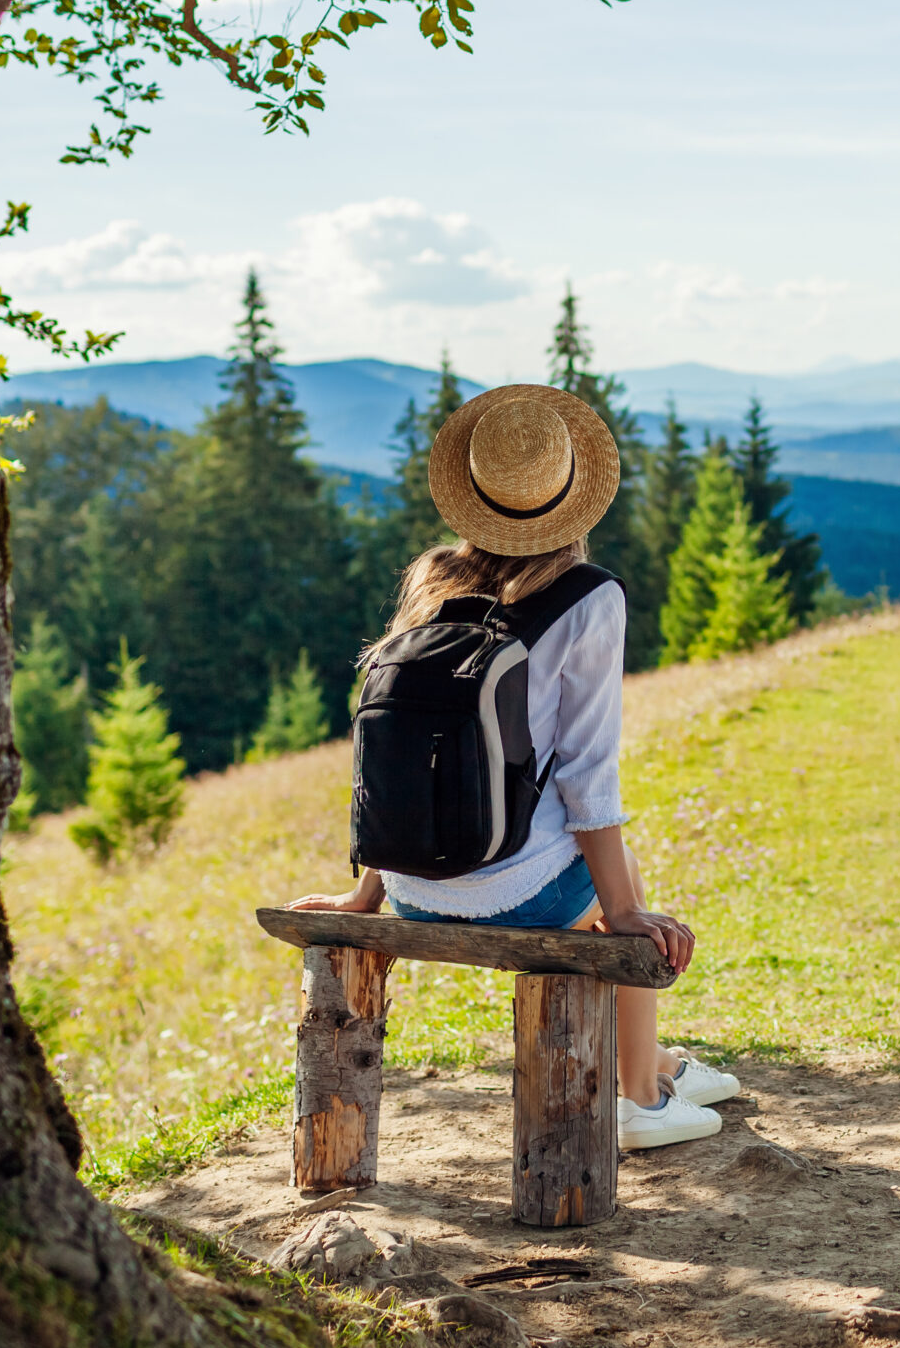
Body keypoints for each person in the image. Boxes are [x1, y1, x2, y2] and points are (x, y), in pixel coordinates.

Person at [288, 383, 739, 1147]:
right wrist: (624, 915)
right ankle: (639, 1099)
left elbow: (394, 755)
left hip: (410, 884)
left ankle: (658, 1061)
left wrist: (366, 893)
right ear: (574, 496)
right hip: (514, 896)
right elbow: (588, 775)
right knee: (618, 869)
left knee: (610, 872)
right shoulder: (589, 598)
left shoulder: (434, 577)